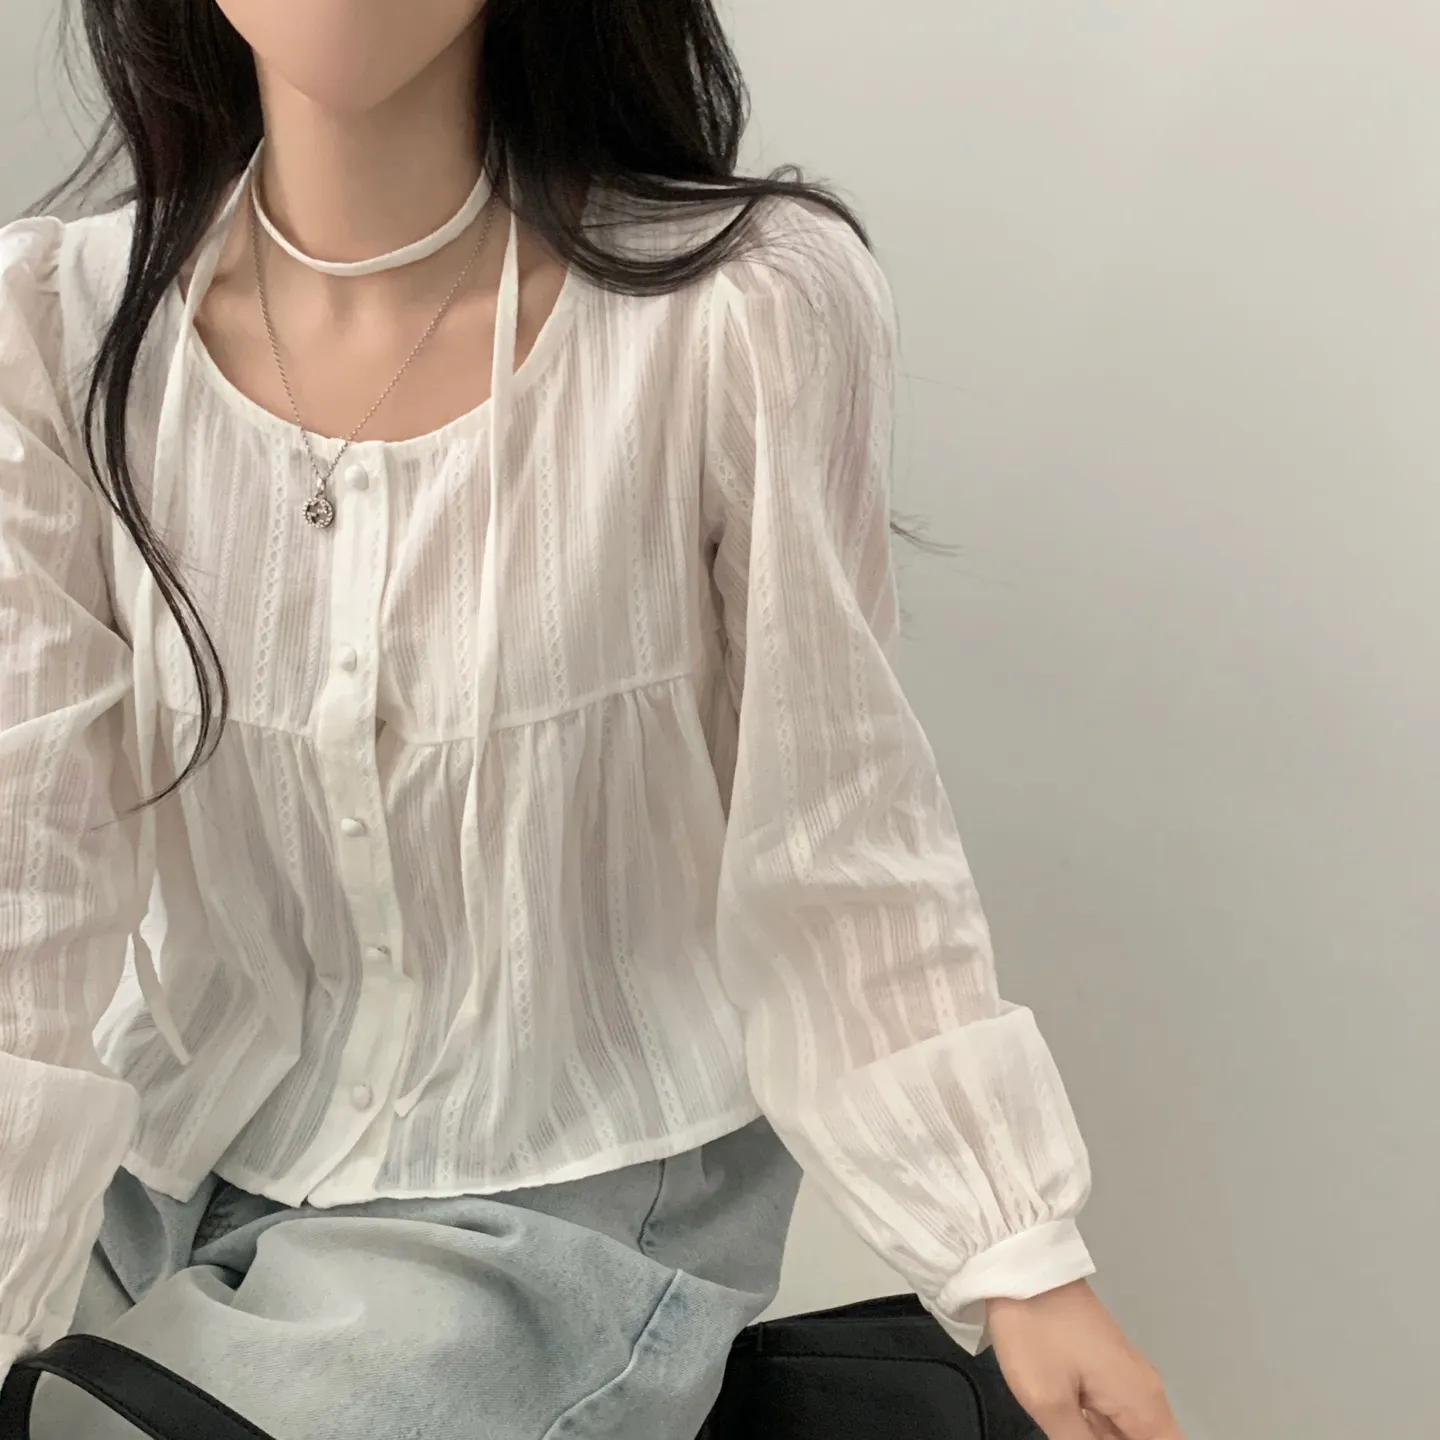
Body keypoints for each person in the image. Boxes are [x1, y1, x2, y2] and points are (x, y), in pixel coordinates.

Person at [0, 2, 1185, 1438]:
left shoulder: (740, 313)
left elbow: (835, 833)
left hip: (559, 1189)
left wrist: (1013, 1250)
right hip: (167, 1148)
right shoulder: (54, 329)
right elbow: (30, 888)